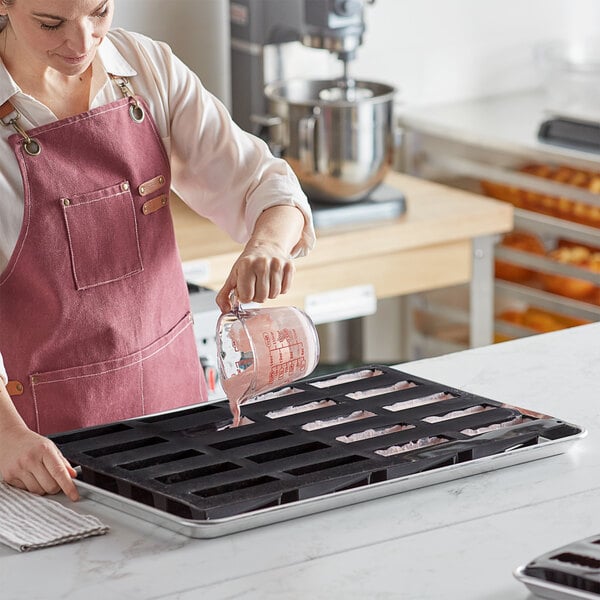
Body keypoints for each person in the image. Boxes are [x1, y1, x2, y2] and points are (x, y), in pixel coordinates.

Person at [0, 0, 315, 502]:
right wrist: (7, 438)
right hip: (42, 455)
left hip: (178, 424)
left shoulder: (146, 68)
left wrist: (267, 243)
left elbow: (263, 182)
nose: (82, 42)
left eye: (99, 12)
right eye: (51, 23)